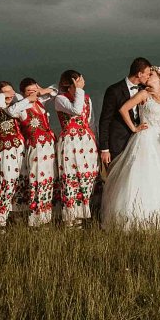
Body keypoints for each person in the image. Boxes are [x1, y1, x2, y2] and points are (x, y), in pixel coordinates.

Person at [101, 67, 160, 230]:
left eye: (152, 75)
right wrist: (134, 128)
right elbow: (123, 109)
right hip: (145, 138)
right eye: (148, 74)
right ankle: (137, 217)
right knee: (143, 174)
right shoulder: (143, 94)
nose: (148, 77)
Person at [0, 81, 29, 233]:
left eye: (11, 92)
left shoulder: (15, 109)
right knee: (6, 184)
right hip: (4, 151)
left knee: (15, 185)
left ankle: (4, 220)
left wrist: (18, 99)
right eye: (5, 93)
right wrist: (5, 96)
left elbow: (24, 115)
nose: (9, 95)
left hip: (19, 149)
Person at [54, 70, 99, 227]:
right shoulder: (60, 99)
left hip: (86, 141)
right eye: (79, 80)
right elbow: (76, 110)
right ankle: (70, 218)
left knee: (87, 177)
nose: (82, 82)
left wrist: (96, 142)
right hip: (70, 143)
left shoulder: (86, 98)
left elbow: (90, 121)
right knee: (70, 177)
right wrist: (78, 90)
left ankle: (83, 216)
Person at [14, 78, 58, 226]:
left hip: (49, 146)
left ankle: (47, 217)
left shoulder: (40, 103)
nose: (33, 93)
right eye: (29, 91)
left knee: (49, 180)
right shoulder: (23, 107)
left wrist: (44, 91)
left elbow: (56, 89)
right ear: (23, 93)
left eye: (35, 90)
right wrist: (27, 99)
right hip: (36, 147)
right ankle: (36, 218)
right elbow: (12, 110)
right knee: (37, 179)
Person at [99, 57, 153, 167]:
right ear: (139, 74)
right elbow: (105, 120)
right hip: (118, 142)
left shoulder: (145, 89)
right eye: (147, 74)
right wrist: (104, 149)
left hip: (139, 142)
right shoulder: (114, 91)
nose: (149, 77)